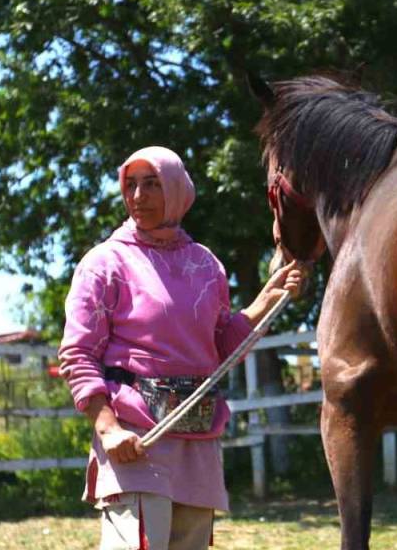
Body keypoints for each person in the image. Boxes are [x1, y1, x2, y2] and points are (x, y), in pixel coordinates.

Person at [59, 146, 303, 550]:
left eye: (152, 184)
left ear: (176, 190)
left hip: (198, 446)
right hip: (135, 442)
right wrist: (108, 429)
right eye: (131, 185)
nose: (138, 196)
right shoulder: (105, 264)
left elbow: (220, 350)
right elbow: (78, 355)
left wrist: (264, 302)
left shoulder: (206, 265)